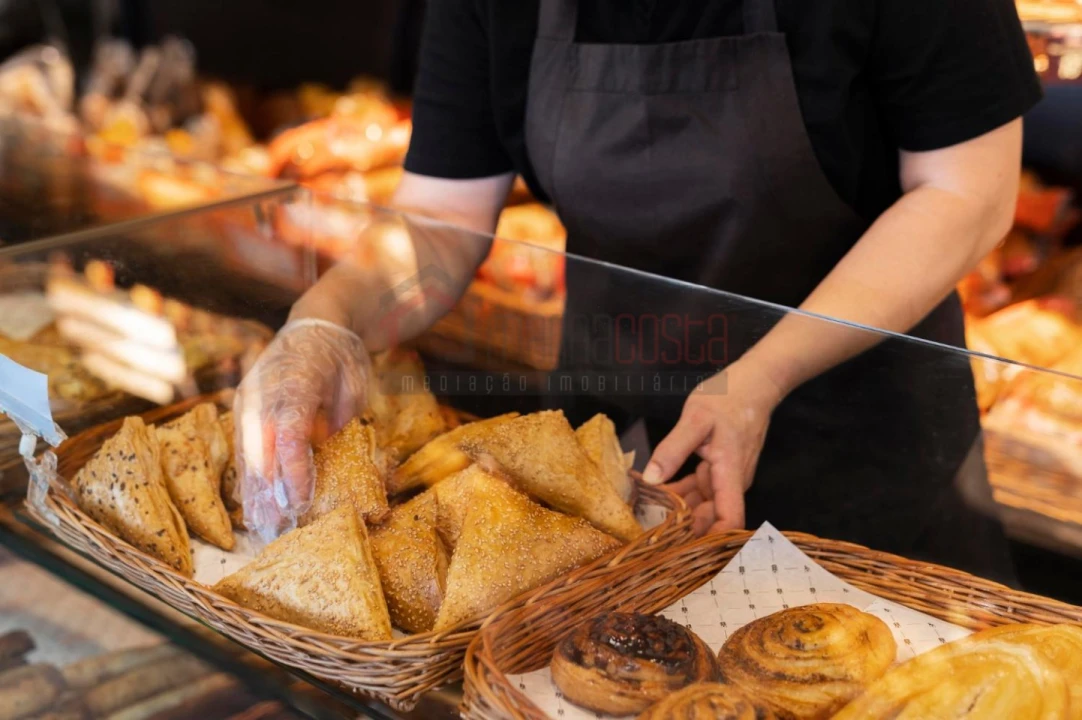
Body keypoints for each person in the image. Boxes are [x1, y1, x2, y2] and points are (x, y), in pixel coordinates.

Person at [235, 0, 1040, 581]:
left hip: (863, 459)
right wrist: (326, 321)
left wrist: (760, 378)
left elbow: (966, 193)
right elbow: (443, 218)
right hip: (607, 472)